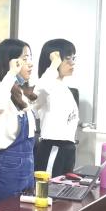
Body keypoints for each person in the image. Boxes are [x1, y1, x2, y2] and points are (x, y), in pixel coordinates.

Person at [0, 39, 37, 206]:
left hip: (26, 165)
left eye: (30, 58)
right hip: (7, 168)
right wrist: (12, 73)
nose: (30, 63)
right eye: (25, 59)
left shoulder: (19, 91)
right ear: (10, 62)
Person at [34, 39, 79, 177]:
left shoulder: (64, 87)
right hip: (53, 147)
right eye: (67, 59)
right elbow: (39, 91)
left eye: (73, 58)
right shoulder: (47, 86)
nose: (72, 63)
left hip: (68, 148)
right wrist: (54, 64)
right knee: (49, 188)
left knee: (64, 188)